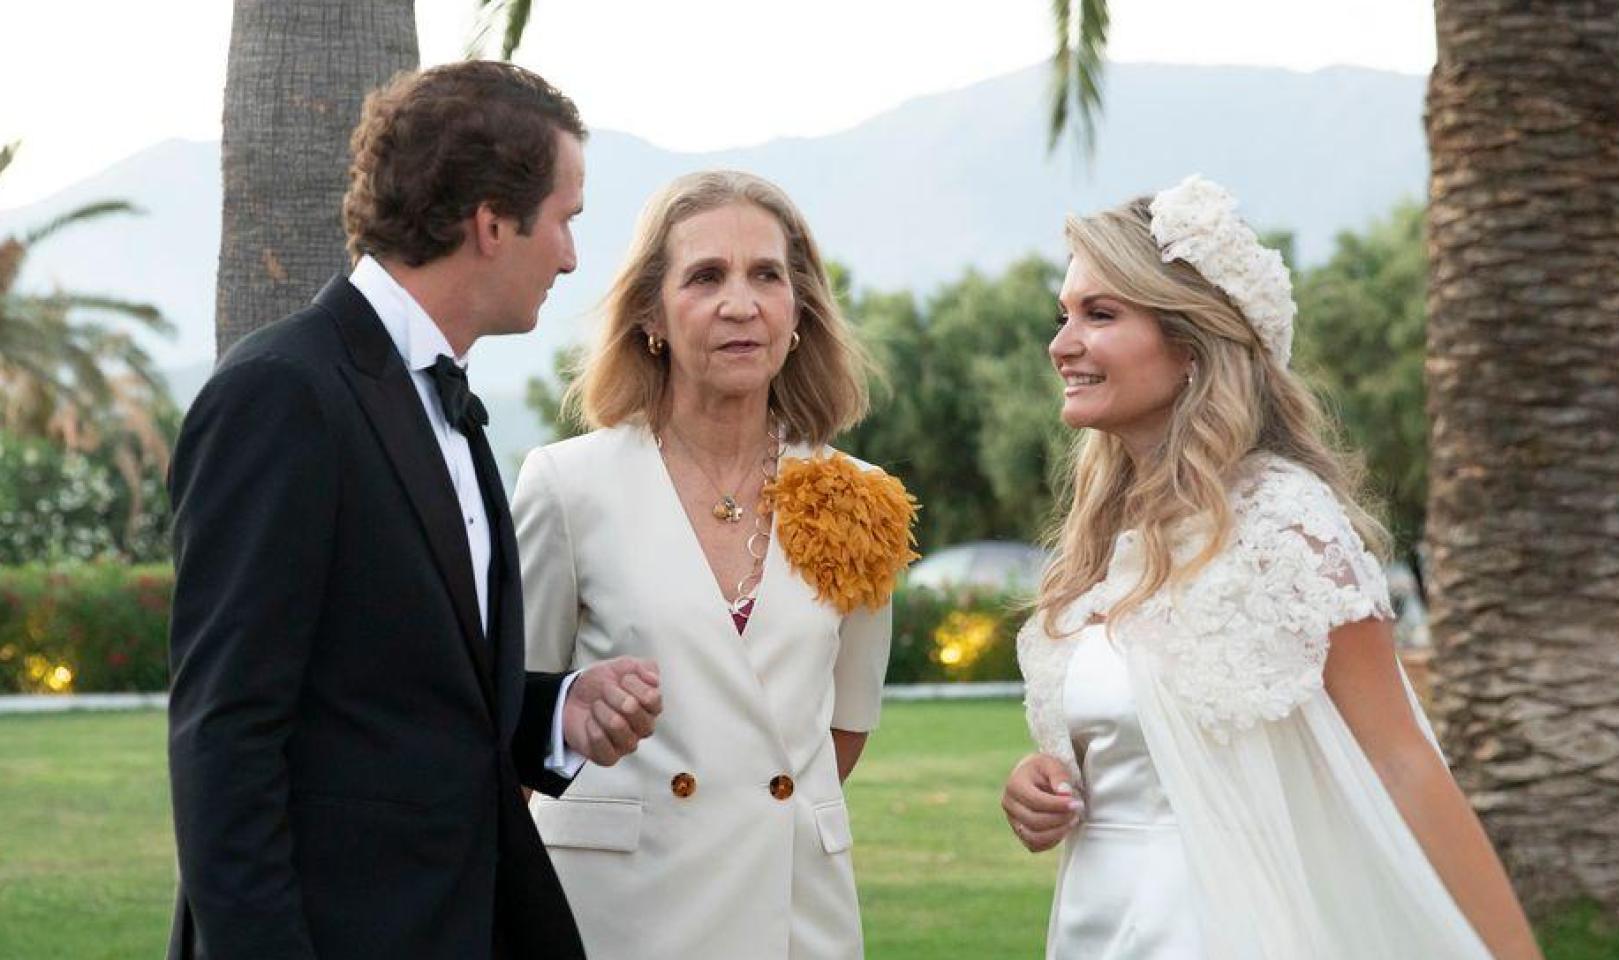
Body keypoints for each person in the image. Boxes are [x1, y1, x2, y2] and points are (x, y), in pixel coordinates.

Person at [165, 61, 661, 960]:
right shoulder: (284, 394)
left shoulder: (447, 406)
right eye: (564, 219)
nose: (571, 256)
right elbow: (225, 737)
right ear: (491, 223)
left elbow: (407, 701)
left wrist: (556, 712)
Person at [1001, 176, 1542, 959]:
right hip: (1098, 921)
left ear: (1190, 344)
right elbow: (1131, 750)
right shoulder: (1104, 543)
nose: (1062, 344)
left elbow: (1399, 758)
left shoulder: (1285, 522)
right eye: (1064, 315)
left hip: (1224, 927)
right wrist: (1037, 788)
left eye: (1100, 314)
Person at [512, 169, 915, 960]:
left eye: (767, 275)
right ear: (651, 314)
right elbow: (514, 720)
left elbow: (845, 724)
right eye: (706, 277)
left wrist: (756, 806)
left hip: (793, 908)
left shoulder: (862, 497)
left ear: (798, 310)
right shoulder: (567, 486)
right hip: (610, 910)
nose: (742, 304)